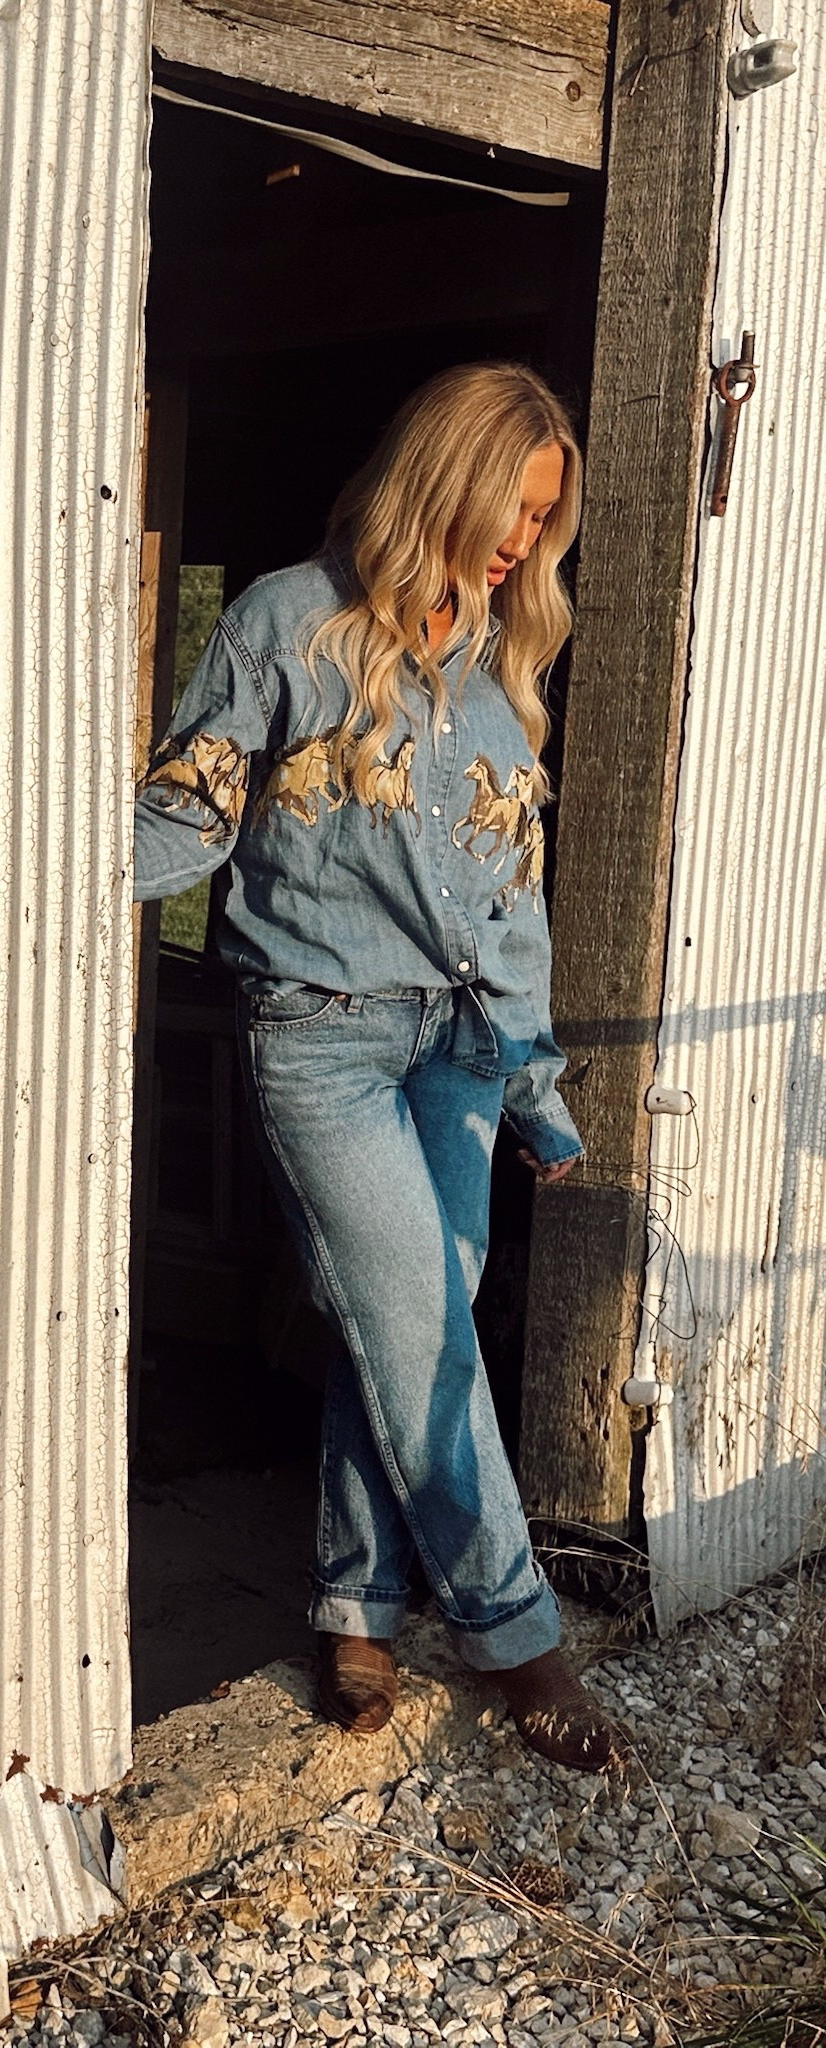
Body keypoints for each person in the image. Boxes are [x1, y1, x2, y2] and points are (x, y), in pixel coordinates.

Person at [133, 361, 621, 1771]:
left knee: (409, 1325)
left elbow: (507, 894)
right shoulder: (291, 621)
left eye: (544, 520)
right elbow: (188, 818)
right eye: (511, 507)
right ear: (444, 475)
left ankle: (357, 1603)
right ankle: (518, 1637)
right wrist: (23, 857)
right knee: (417, 1325)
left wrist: (535, 1085)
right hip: (326, 1040)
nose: (524, 541)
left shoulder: (498, 657)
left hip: (464, 1049)